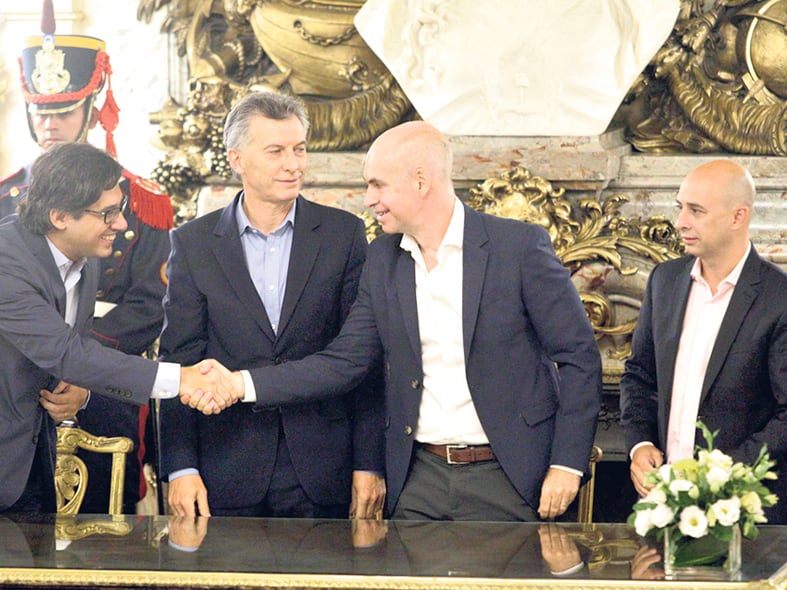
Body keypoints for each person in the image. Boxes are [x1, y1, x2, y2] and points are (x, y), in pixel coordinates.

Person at [187, 120, 603, 521]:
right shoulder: (384, 260)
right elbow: (345, 362)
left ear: (421, 181)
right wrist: (241, 384)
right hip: (417, 481)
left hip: (511, 478)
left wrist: (567, 463)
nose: (368, 199)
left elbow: (579, 357)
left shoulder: (518, 247)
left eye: (377, 184)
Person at [158, 91, 386, 519]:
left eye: (300, 149)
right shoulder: (192, 243)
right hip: (223, 468)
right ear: (237, 159)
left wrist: (369, 463)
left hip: (325, 470)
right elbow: (179, 363)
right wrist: (180, 466)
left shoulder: (345, 234)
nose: (293, 164)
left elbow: (364, 360)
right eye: (276, 151)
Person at [0, 142, 235, 514]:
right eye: (108, 214)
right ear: (60, 216)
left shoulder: (86, 254)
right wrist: (184, 379)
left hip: (28, 462)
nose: (122, 224)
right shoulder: (6, 262)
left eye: (121, 209)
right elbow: (67, 354)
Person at [0, 26, 174, 514]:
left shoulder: (137, 199)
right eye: (40, 111)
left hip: (104, 379)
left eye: (62, 111)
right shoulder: (6, 200)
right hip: (20, 381)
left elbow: (149, 303)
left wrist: (83, 372)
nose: (49, 123)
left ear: (93, 108)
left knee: (100, 525)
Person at [620, 159, 787, 524]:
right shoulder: (664, 280)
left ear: (737, 217)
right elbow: (639, 376)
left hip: (746, 511)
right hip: (659, 505)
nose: (681, 221)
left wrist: (717, 478)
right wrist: (640, 444)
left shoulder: (779, 297)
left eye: (696, 210)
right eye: (681, 207)